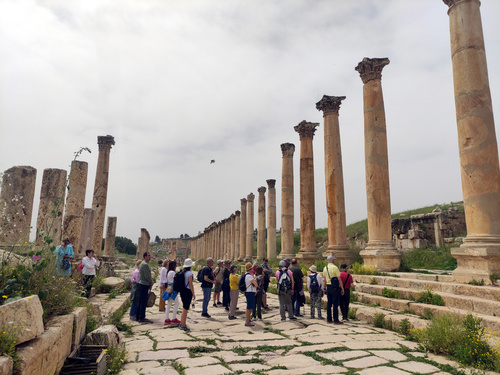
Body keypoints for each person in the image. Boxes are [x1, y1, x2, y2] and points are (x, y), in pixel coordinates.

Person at [322, 255, 345, 325]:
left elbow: (324, 280)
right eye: (334, 260)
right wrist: (342, 288)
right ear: (332, 261)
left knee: (329, 303)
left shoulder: (325, 268)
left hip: (328, 287)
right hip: (335, 287)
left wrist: (324, 288)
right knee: (335, 304)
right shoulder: (335, 268)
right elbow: (339, 279)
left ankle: (329, 319)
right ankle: (336, 319)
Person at [137, 252, 154, 323]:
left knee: (141, 301)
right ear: (145, 257)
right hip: (144, 284)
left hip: (142, 284)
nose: (150, 257)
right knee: (143, 301)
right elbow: (147, 276)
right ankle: (142, 317)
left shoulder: (142, 264)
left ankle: (139, 316)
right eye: (148, 256)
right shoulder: (145, 265)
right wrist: (151, 282)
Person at [179, 258, 196, 332]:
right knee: (186, 308)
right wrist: (193, 293)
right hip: (187, 291)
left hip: (182, 291)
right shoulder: (189, 273)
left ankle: (182, 323)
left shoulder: (183, 272)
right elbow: (190, 284)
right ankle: (183, 324)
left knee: (184, 308)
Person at [164, 260, 180, 325]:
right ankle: (174, 318)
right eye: (175, 265)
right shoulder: (172, 272)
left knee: (169, 303)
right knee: (177, 303)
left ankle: (167, 318)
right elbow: (176, 279)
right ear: (173, 266)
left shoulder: (168, 272)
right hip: (173, 288)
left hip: (169, 288)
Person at [244, 262, 258, 327]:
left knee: (250, 307)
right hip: (250, 292)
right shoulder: (249, 276)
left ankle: (248, 320)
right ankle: (247, 322)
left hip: (249, 292)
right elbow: (256, 284)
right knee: (249, 307)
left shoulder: (246, 275)